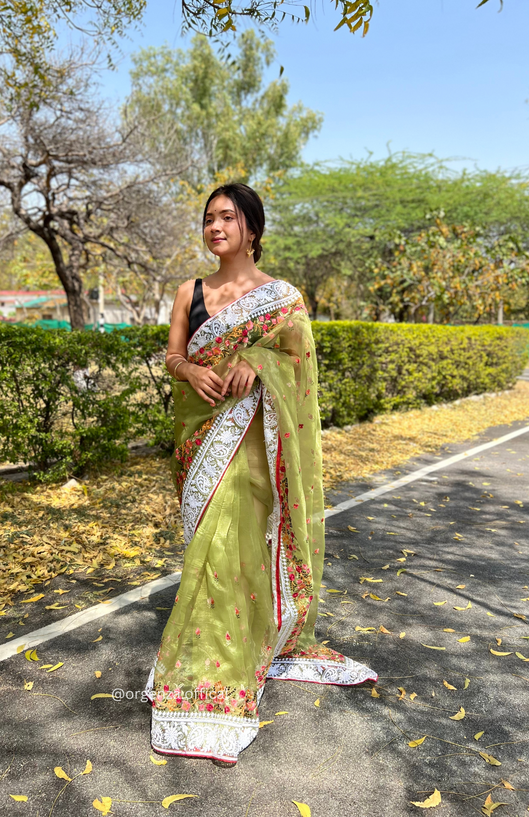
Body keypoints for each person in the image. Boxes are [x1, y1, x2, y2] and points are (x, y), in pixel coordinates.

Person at [144, 183, 377, 764]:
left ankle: (216, 669)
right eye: (208, 218)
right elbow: (174, 355)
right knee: (211, 544)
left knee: (232, 545)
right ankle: (238, 639)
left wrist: (258, 358)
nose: (215, 226)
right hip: (200, 441)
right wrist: (188, 372)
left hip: (254, 445)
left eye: (227, 216)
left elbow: (298, 364)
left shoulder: (282, 298)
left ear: (252, 226)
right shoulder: (189, 291)